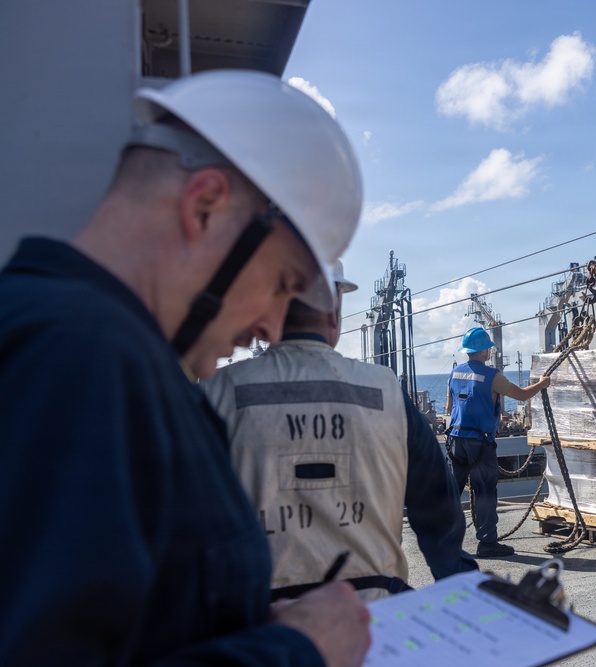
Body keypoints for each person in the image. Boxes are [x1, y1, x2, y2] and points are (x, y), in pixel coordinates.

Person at [0, 71, 372, 667]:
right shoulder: (78, 362)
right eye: (282, 283)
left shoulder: (102, 356)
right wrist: (299, 649)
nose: (272, 328)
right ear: (204, 206)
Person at [203, 260, 478, 601]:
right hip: (373, 614)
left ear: (267, 308)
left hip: (260, 616)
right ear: (333, 312)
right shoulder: (386, 392)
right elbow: (437, 504)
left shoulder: (218, 392)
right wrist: (463, 587)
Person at [446, 326, 551, 558]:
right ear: (484, 351)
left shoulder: (454, 373)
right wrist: (542, 384)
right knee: (484, 492)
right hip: (479, 443)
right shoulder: (492, 376)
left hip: (455, 440)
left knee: (452, 491)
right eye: (489, 349)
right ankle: (487, 543)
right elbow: (522, 395)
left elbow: (449, 407)